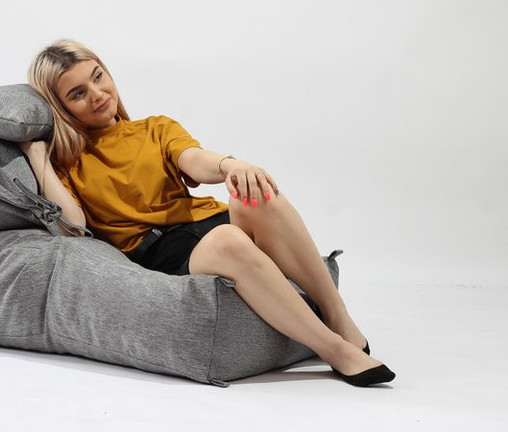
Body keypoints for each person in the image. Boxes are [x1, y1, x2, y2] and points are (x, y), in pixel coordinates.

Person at [20, 38, 395, 387]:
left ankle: (336, 313)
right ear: (61, 107)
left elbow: (194, 160)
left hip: (207, 221)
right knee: (227, 240)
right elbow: (74, 225)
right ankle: (333, 348)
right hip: (164, 250)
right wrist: (39, 158)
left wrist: (232, 166)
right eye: (78, 94)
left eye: (98, 77)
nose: (98, 94)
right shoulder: (67, 163)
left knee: (257, 194)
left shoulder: (155, 128)